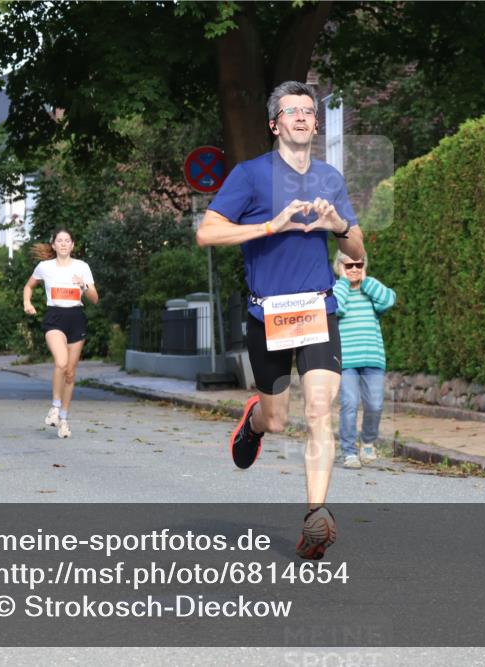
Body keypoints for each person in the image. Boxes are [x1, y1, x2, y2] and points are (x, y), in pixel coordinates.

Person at [197, 80, 366, 560]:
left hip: (317, 308)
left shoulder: (331, 178)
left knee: (319, 411)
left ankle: (316, 517)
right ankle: (253, 421)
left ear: (316, 123)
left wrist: (339, 228)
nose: (301, 117)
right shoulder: (251, 176)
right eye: (291, 111)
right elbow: (207, 233)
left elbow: (357, 252)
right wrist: (271, 225)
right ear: (275, 124)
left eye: (308, 111)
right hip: (267, 312)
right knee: (279, 419)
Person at [23, 229, 98, 439]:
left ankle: (63, 419)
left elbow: (94, 298)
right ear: (54, 245)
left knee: (71, 373)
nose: (64, 244)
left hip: (76, 318)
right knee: (61, 362)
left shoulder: (82, 267)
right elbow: (28, 287)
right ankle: (55, 407)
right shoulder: (44, 267)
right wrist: (27, 302)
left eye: (67, 241)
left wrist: (83, 285)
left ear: (72, 245)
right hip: (54, 318)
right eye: (60, 241)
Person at [333, 252, 396, 469]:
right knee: (349, 404)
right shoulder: (336, 290)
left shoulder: (370, 291)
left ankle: (368, 442)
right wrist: (342, 280)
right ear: (340, 267)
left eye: (358, 264)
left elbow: (389, 299)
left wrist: (366, 280)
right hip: (347, 361)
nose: (354, 269)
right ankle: (349, 451)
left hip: (373, 359)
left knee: (375, 405)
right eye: (348, 265)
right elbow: (337, 308)